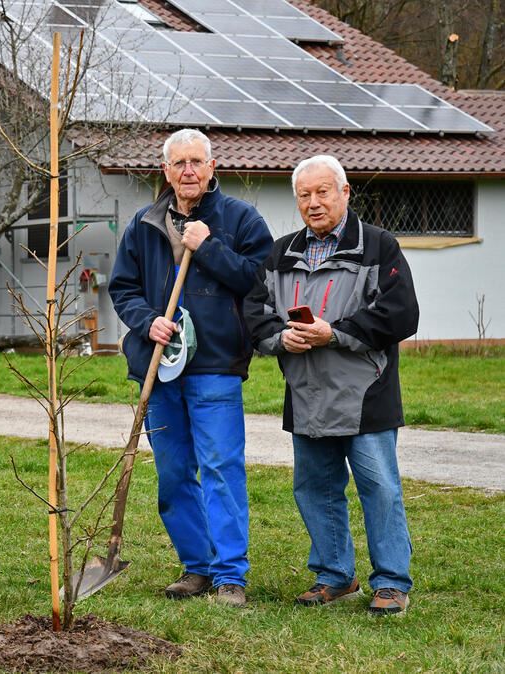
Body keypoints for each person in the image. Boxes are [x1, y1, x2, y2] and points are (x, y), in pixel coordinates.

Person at [245, 155, 419, 616]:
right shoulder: (279, 253)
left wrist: (333, 333)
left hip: (365, 394)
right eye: (304, 194)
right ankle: (335, 576)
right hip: (306, 393)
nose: (313, 202)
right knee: (315, 488)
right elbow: (253, 312)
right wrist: (279, 337)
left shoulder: (379, 247)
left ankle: (391, 582)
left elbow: (401, 313)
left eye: (323, 192)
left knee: (379, 487)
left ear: (345, 193)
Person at [107, 128, 273, 607]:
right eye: (179, 163)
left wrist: (210, 247)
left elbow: (260, 281)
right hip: (159, 367)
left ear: (212, 166)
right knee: (175, 472)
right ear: (165, 170)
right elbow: (123, 289)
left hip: (216, 365)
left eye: (196, 162)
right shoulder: (144, 222)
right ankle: (197, 565)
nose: (188, 171)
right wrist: (146, 322)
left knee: (221, 468)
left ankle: (229, 576)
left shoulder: (240, 220)